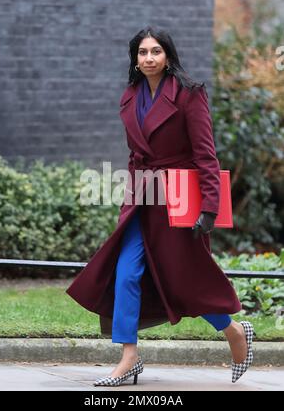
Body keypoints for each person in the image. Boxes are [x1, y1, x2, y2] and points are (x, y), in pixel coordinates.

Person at [92, 27, 255, 387]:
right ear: (135, 58)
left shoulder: (189, 94)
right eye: (142, 52)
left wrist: (209, 207)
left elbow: (205, 152)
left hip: (178, 200)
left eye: (156, 51)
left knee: (184, 277)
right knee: (126, 272)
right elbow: (136, 154)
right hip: (142, 197)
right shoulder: (130, 95)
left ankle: (233, 330)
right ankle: (129, 356)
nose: (148, 58)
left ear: (168, 56)